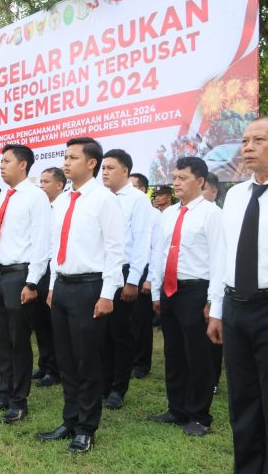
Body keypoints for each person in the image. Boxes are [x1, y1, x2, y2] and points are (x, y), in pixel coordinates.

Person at [36, 137, 124, 454]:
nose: (66, 162)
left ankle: (86, 428)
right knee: (66, 359)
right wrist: (51, 287)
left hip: (90, 287)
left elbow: (115, 249)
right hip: (61, 286)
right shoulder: (62, 201)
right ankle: (70, 419)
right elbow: (53, 247)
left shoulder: (104, 200)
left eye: (73, 157)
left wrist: (107, 293)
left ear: (91, 163)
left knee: (87, 360)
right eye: (65, 156)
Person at [209, 116, 268, 472]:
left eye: (259, 140)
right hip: (236, 308)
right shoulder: (235, 196)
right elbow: (223, 255)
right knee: (243, 398)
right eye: (245, 141)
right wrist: (218, 310)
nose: (248, 147)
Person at [0, 145, 51, 422]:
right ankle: (4, 394)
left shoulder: (35, 197)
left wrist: (32, 283)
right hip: (0, 274)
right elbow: (2, 240)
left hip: (21, 274)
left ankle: (19, 401)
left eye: (6, 161)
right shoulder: (7, 196)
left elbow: (42, 242)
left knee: (18, 340)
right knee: (1, 338)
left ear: (22, 165)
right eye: (1, 161)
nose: (1, 166)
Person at [149, 157, 223, 437]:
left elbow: (219, 259)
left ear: (200, 181)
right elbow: (159, 254)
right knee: (174, 351)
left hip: (196, 290)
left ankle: (199, 415)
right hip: (170, 289)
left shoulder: (212, 214)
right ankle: (176, 408)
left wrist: (213, 301)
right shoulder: (169, 214)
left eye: (183, 178)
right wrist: (156, 291)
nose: (176, 183)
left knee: (198, 354)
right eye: (174, 178)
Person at [100, 149, 151, 410]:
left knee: (121, 333)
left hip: (125, 271)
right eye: (103, 168)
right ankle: (103, 382)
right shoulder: (100, 197)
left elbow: (141, 242)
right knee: (102, 332)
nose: (104, 172)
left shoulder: (137, 200)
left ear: (125, 171)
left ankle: (118, 388)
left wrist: (132, 280)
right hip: (101, 271)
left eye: (110, 168)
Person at [34, 167, 65, 387]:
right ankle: (44, 363)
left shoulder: (64, 206)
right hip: (40, 267)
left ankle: (55, 369)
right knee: (40, 320)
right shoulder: (42, 207)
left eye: (46, 182)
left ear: (59, 185)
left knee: (54, 322)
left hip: (57, 269)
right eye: (41, 181)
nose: (42, 186)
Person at [129, 172, 161, 380]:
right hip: (126, 269)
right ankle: (127, 359)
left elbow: (156, 249)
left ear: (142, 189)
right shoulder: (123, 209)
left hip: (144, 271)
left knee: (141, 321)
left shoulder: (154, 215)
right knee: (126, 320)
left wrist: (150, 278)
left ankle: (141, 363)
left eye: (132, 186)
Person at [202, 171, 223, 394]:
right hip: (192, 284)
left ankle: (213, 379)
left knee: (213, 333)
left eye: (203, 189)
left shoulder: (218, 216)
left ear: (214, 191)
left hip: (213, 283)